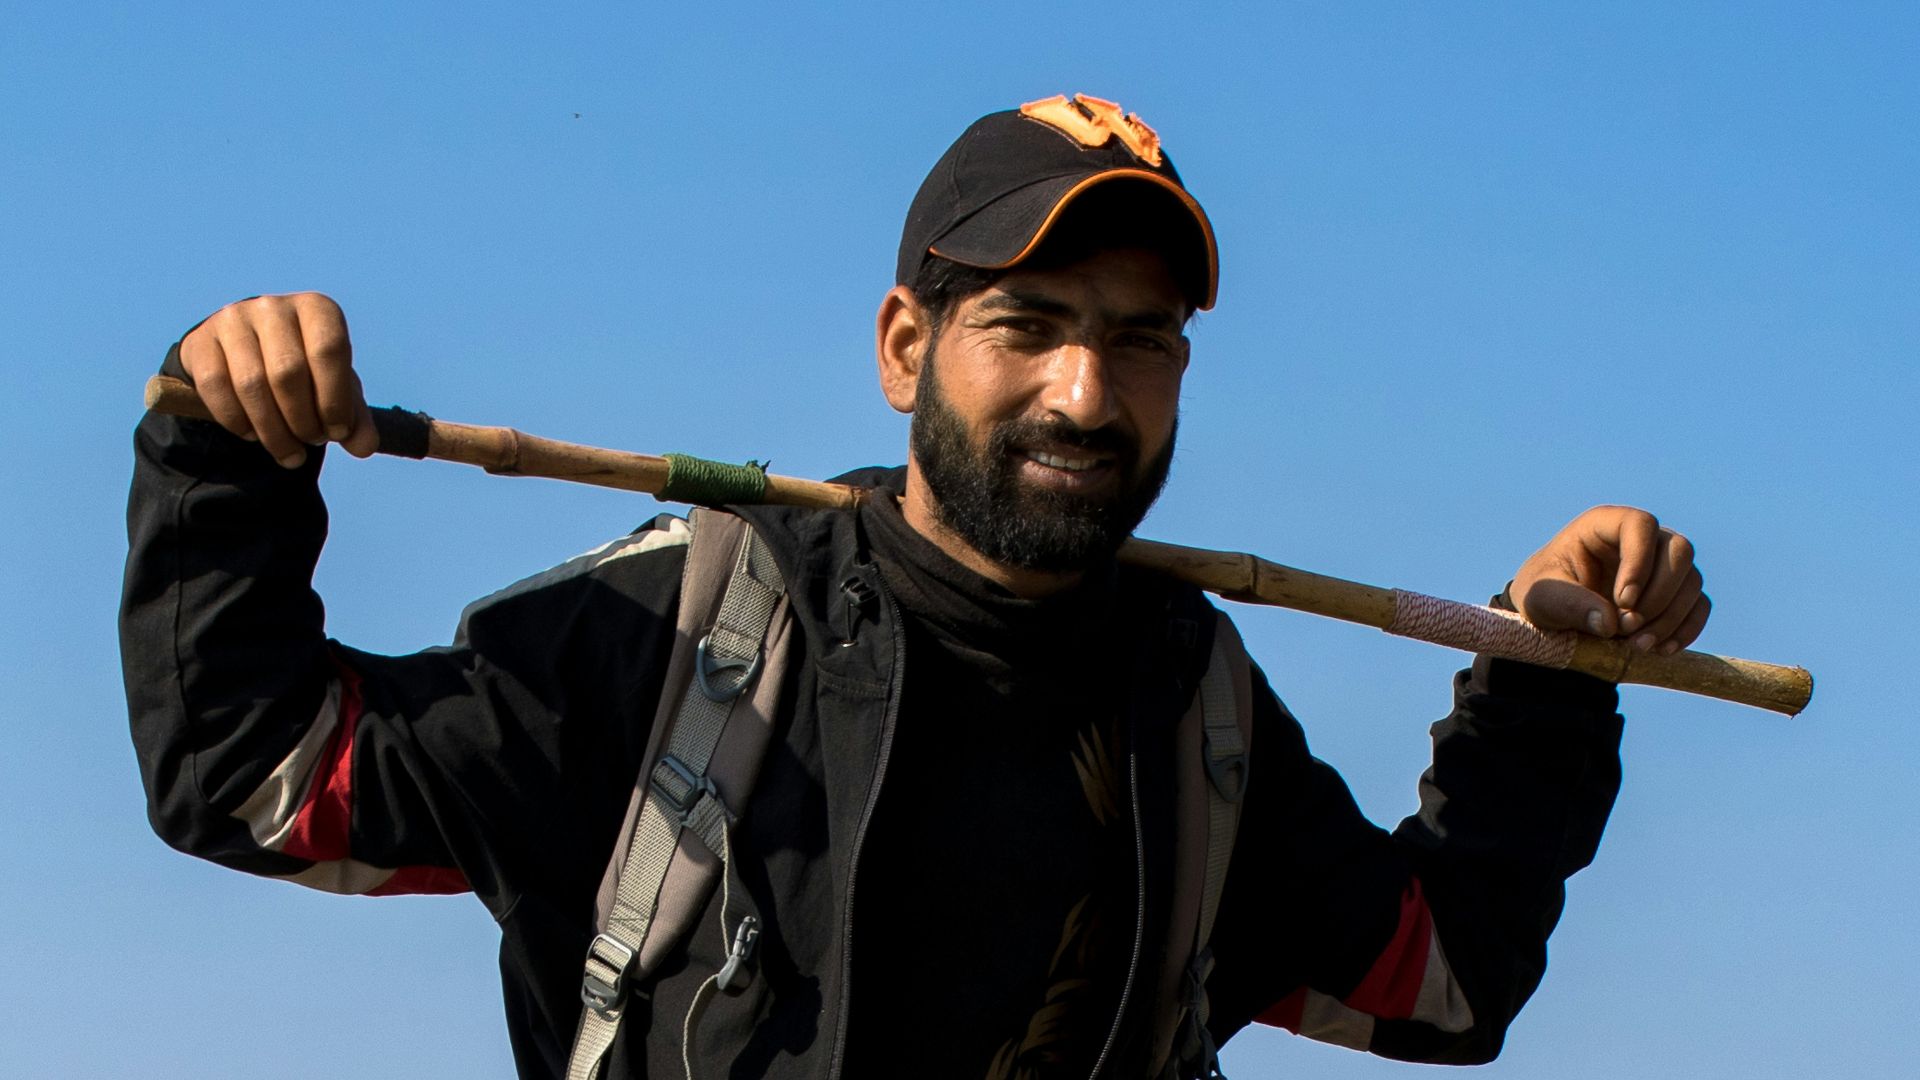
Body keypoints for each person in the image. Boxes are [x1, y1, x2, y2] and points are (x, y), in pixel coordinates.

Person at [122, 94, 1709, 1079]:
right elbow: (256, 777)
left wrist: (1547, 678)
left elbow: (1439, 984)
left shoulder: (1194, 705)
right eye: (1030, 324)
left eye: (1140, 340)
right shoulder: (683, 629)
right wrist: (223, 445)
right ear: (906, 349)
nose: (1087, 393)